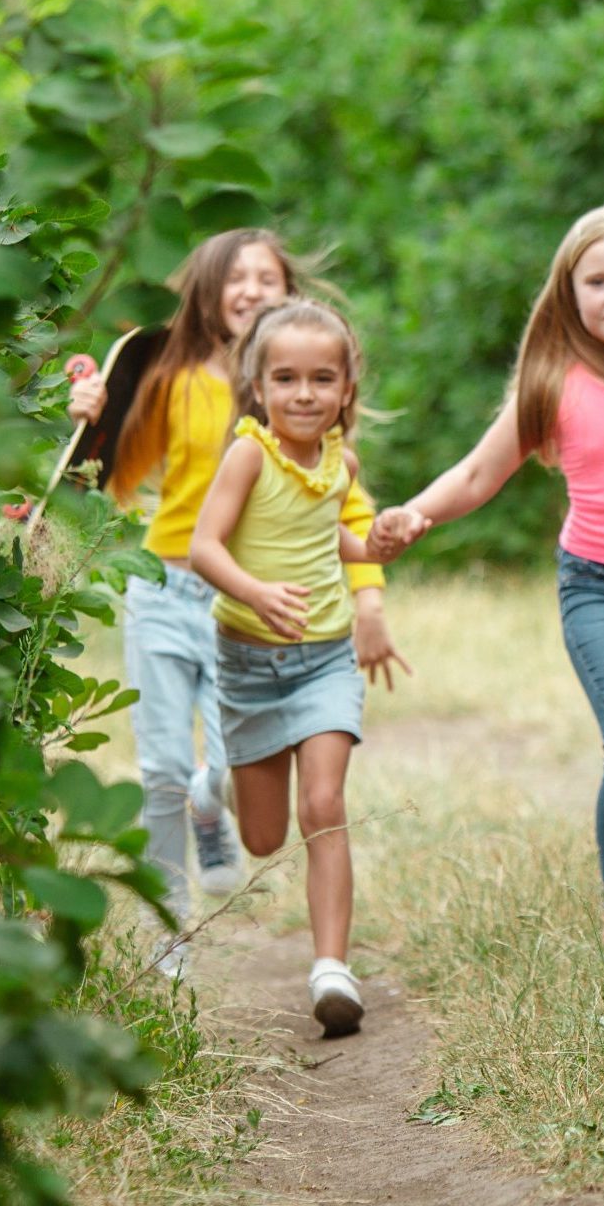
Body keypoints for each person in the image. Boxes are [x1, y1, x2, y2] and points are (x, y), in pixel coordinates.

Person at [367, 203, 604, 961]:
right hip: (601, 589)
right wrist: (413, 515)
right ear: (569, 290)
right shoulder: (554, 378)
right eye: (597, 281)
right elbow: (479, 471)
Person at [65, 230, 406, 968]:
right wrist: (91, 412)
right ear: (210, 290)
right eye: (236, 277)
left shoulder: (304, 397)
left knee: (225, 770)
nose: (252, 289)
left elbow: (346, 515)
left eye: (268, 277)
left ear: (292, 296)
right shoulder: (172, 374)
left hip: (260, 619)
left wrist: (369, 600)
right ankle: (168, 933)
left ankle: (207, 796)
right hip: (166, 583)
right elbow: (110, 470)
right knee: (157, 766)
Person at [190, 300, 390, 1036]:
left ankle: (331, 967)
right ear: (259, 386)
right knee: (264, 838)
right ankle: (214, 785)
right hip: (247, 662)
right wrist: (254, 591)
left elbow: (329, 532)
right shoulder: (249, 453)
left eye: (321, 378)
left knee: (323, 806)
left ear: (345, 388)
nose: (303, 393)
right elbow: (207, 545)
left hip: (325, 658)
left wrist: (375, 546)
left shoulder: (343, 462)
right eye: (286, 378)